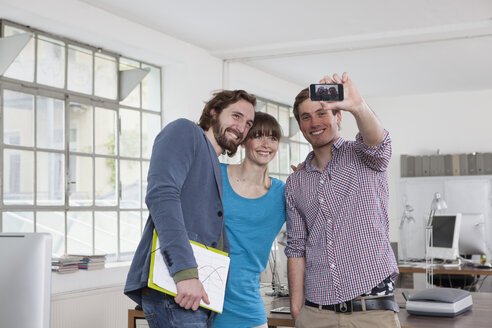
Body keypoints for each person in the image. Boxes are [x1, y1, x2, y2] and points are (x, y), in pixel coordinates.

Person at [124, 89, 256, 328]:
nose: (241, 127)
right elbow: (161, 196)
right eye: (236, 116)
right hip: (177, 287)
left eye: (248, 123)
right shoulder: (185, 131)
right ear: (214, 112)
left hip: (195, 293)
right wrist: (186, 273)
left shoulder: (213, 161)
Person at [284, 72, 399, 328]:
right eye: (306, 117)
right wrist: (296, 309)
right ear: (301, 126)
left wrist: (358, 106)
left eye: (321, 113)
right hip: (316, 312)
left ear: (338, 116)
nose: (314, 122)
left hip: (372, 309)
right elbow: (296, 247)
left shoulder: (365, 156)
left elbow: (379, 142)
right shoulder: (296, 182)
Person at [213, 112, 286, 328]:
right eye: (258, 136)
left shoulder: (283, 193)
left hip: (247, 306)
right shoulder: (215, 174)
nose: (266, 144)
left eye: (273, 138)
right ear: (244, 140)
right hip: (202, 299)